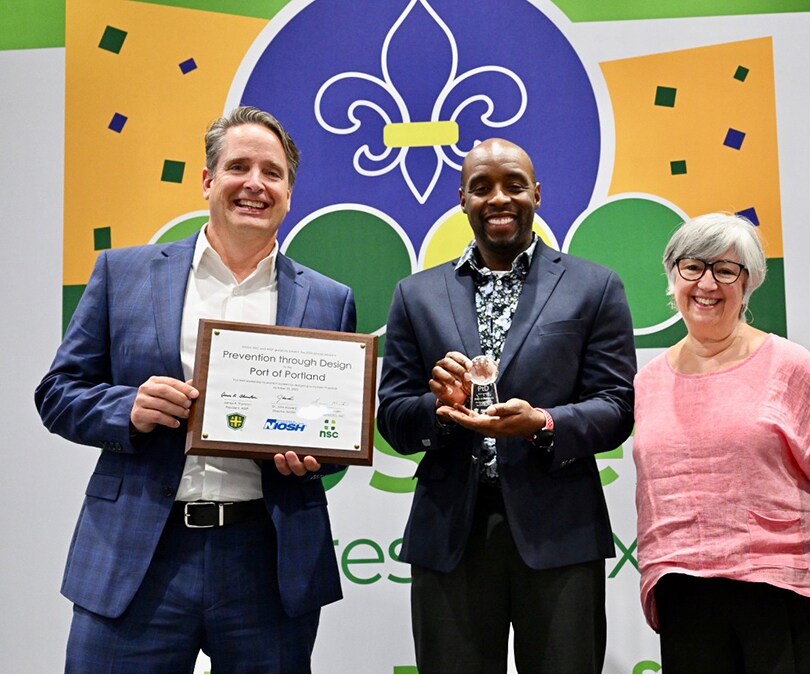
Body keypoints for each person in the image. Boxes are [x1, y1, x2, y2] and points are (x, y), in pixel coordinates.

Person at [35, 106, 355, 673]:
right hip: (138, 553)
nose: (255, 184)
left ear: (289, 192)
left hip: (268, 558)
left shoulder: (330, 299)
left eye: (272, 173)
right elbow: (57, 393)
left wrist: (315, 458)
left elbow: (334, 438)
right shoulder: (124, 273)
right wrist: (127, 407)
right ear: (208, 180)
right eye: (238, 167)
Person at [376, 138, 636, 673]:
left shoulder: (595, 286)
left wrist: (542, 423)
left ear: (536, 194)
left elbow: (617, 406)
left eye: (514, 184)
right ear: (462, 200)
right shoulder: (415, 294)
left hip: (561, 531)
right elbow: (394, 418)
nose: (499, 198)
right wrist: (438, 408)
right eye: (482, 187)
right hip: (450, 533)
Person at [632, 213, 810, 673]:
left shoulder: (791, 366)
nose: (707, 283)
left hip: (787, 592)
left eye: (726, 270)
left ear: (749, 283)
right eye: (692, 267)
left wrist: (778, 551)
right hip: (684, 592)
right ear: (672, 274)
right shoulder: (648, 381)